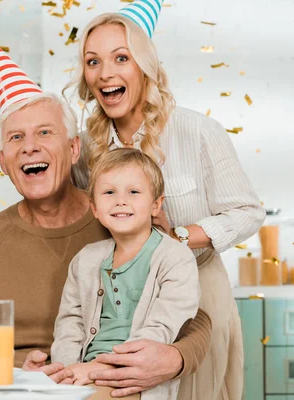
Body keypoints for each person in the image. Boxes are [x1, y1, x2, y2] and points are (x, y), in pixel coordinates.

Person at [0, 42, 212, 387]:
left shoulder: (124, 219)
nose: (30, 146)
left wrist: (175, 358)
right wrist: (24, 370)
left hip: (121, 383)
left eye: (45, 133)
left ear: (74, 147)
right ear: (3, 159)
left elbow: (190, 314)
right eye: (16, 137)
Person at [62, 7, 264, 399]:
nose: (106, 73)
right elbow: (63, 206)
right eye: (93, 61)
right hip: (123, 305)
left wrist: (178, 237)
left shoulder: (197, 130)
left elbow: (247, 211)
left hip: (199, 290)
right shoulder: (86, 149)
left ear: (145, 66)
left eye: (121, 57)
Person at [51, 148, 199, 399]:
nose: (121, 200)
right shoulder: (85, 260)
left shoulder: (175, 258)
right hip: (81, 375)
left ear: (156, 204)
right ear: (94, 207)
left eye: (133, 191)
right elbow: (69, 323)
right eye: (109, 192)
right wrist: (66, 373)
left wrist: (99, 369)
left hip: (135, 381)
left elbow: (161, 328)